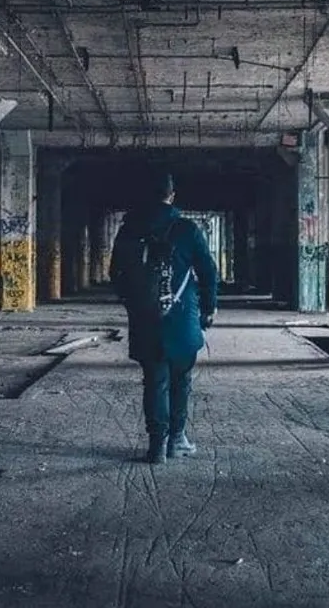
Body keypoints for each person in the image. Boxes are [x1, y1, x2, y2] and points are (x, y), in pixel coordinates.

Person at [110, 170, 218, 465]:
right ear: (172, 195)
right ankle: (177, 440)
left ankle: (156, 446)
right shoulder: (186, 229)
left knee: (154, 380)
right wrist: (209, 307)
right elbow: (208, 272)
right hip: (182, 318)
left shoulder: (129, 229)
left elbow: (115, 275)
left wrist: (134, 303)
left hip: (145, 318)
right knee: (180, 379)